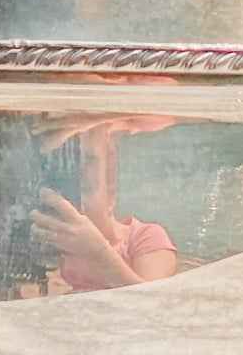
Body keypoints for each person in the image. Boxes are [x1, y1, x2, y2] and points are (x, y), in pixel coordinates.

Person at [29, 119, 177, 291]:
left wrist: (98, 252)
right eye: (69, 196)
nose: (76, 207)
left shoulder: (146, 236)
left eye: (87, 190)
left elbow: (153, 301)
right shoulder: (67, 240)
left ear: (111, 185)